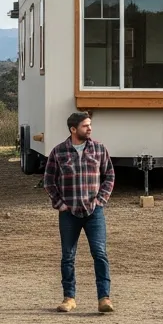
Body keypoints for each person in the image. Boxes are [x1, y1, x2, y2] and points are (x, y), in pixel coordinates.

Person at [43, 111, 115, 313]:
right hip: (68, 213)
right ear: (73, 129)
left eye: (90, 125)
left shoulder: (99, 149)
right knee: (68, 256)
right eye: (85, 125)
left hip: (94, 212)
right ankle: (69, 298)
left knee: (100, 254)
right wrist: (60, 203)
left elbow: (109, 175)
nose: (89, 128)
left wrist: (101, 200)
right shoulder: (59, 152)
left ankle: (104, 298)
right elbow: (49, 180)